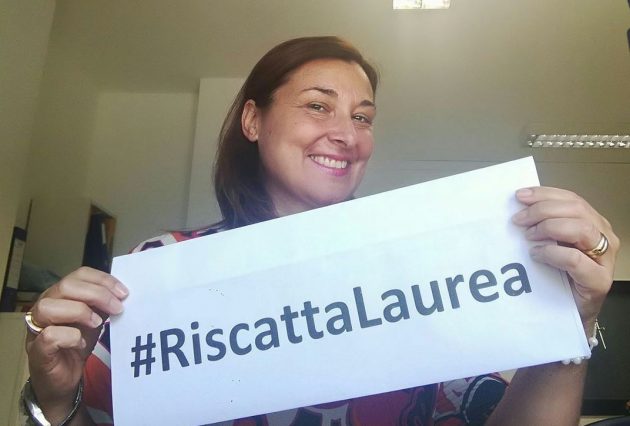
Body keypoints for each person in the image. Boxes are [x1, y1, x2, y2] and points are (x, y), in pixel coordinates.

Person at [22, 36, 619, 426]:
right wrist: (54, 397)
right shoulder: (161, 269)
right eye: (317, 105)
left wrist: (571, 323)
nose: (347, 134)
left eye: (363, 117)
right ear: (253, 120)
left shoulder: (417, 268)